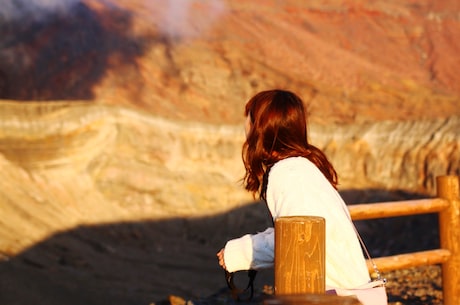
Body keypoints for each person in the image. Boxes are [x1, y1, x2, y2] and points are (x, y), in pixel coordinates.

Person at [216, 89, 371, 289]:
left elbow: (298, 238)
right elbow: (296, 228)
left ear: (260, 126)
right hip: (339, 292)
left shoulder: (288, 173)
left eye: (249, 117)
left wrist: (237, 253)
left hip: (334, 297)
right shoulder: (300, 168)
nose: (244, 124)